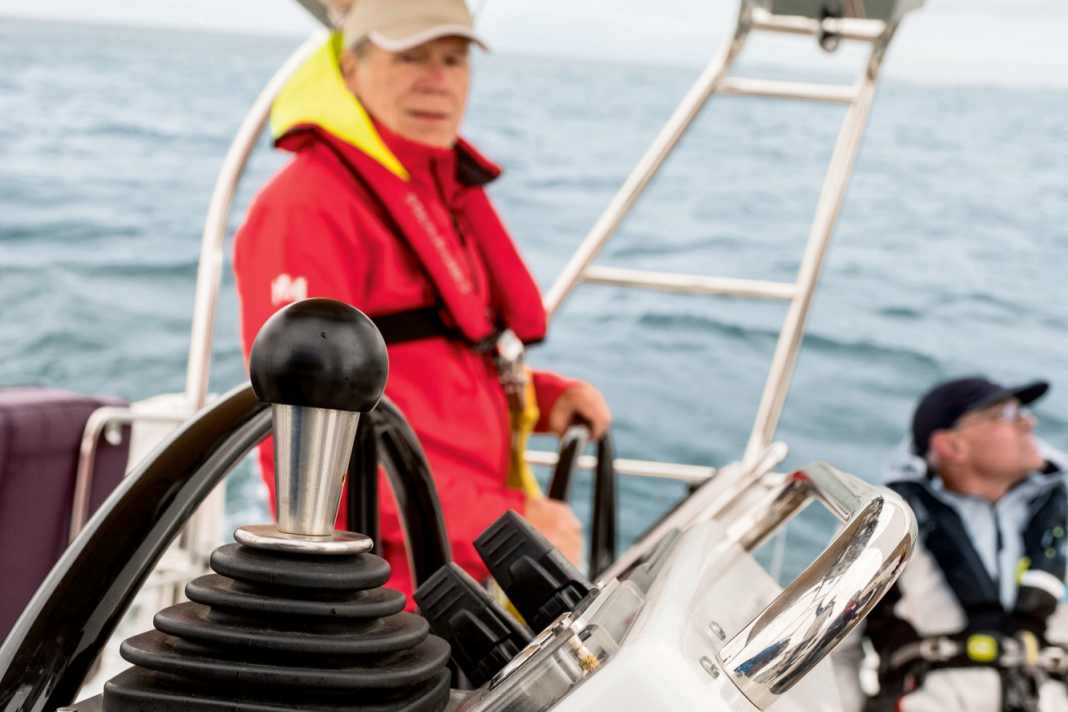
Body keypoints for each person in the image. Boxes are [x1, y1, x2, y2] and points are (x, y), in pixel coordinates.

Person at [232, 0, 611, 597]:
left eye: (453, 58)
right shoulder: (305, 209)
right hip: (379, 594)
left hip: (454, 566)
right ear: (350, 69)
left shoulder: (435, 192)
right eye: (409, 56)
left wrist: (540, 398)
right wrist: (502, 523)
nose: (436, 78)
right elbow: (309, 451)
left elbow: (428, 364)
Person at [852, 376, 1068, 712]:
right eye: (1008, 415)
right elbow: (836, 646)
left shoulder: (1060, 516)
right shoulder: (890, 527)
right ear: (952, 446)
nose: (1029, 422)